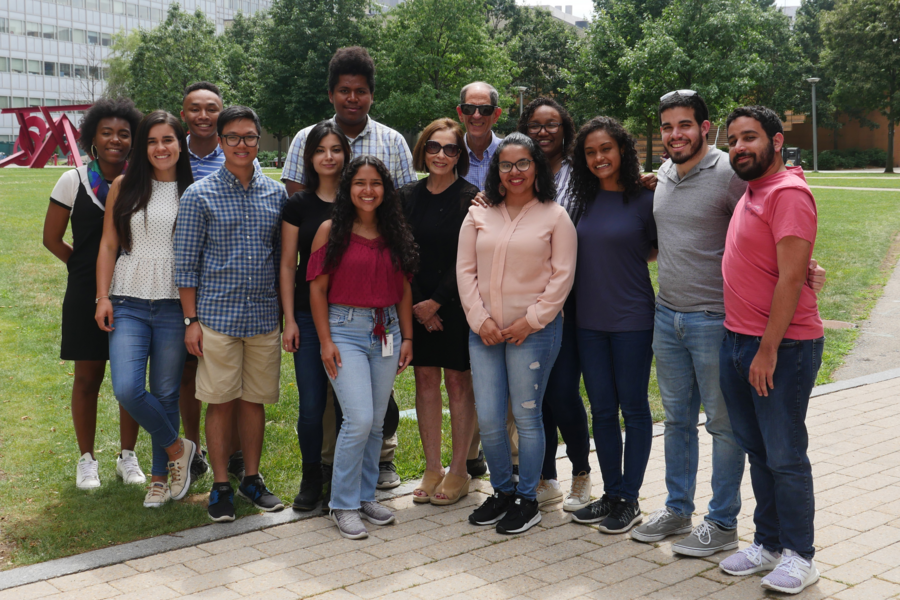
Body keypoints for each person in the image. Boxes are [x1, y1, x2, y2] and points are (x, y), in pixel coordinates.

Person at [631, 90, 826, 557]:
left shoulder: (729, 172)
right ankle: (679, 508)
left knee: (725, 427)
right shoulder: (661, 174)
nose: (675, 134)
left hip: (717, 320)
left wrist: (807, 268)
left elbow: (780, 218)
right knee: (677, 421)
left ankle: (721, 521)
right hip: (668, 315)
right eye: (666, 126)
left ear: (704, 127)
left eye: (684, 125)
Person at [281, 46, 413, 490]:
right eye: (344, 91)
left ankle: (379, 466)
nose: (351, 99)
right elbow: (301, 212)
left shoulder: (392, 142)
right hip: (328, 297)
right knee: (327, 400)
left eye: (360, 91)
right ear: (332, 93)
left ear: (372, 95)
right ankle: (324, 477)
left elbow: (401, 214)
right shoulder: (306, 139)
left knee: (375, 405)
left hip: (378, 297)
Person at [717, 106, 823, 595]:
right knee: (758, 451)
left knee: (784, 455)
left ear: (777, 142)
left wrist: (767, 349)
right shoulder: (754, 190)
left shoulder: (789, 193)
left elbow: (792, 277)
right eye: (734, 139)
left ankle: (801, 555)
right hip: (737, 340)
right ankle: (769, 543)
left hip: (782, 347)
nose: (740, 146)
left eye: (750, 138)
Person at [458, 133, 577, 534]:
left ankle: (529, 498)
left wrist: (532, 320)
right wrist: (480, 321)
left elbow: (562, 278)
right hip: (485, 333)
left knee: (527, 417)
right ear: (497, 170)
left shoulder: (555, 216)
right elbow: (465, 271)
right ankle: (503, 492)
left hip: (534, 332)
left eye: (523, 163)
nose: (515, 172)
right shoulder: (479, 213)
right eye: (506, 165)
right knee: (490, 419)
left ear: (536, 167)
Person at [175, 106, 286, 523]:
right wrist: (191, 321)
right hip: (216, 319)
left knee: (254, 401)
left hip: (261, 319)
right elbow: (184, 265)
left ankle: (251, 478)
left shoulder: (275, 194)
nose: (243, 145)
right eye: (234, 137)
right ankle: (221, 485)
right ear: (219, 142)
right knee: (219, 402)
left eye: (250, 137)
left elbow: (281, 261)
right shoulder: (199, 195)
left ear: (259, 140)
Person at [307, 155, 417, 539]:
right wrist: (325, 341)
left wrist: (408, 338)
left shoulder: (394, 231)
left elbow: (403, 289)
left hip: (387, 331)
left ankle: (366, 495)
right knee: (359, 419)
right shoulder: (330, 230)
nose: (368, 190)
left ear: (385, 189)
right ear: (348, 189)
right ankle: (342, 504)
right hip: (344, 330)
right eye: (359, 183)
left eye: (375, 183)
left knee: (375, 424)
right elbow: (317, 289)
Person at [94, 111, 197, 508]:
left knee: (167, 393)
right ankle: (178, 449)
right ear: (143, 147)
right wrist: (102, 296)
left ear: (180, 143)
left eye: (167, 140)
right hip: (128, 300)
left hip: (174, 304)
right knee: (127, 389)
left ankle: (159, 480)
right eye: (152, 141)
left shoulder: (194, 189)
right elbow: (108, 245)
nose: (160, 148)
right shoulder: (124, 186)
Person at [42, 98, 145, 490]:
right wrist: (80, 268)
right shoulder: (74, 180)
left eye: (124, 133)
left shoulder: (142, 181)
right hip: (86, 292)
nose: (116, 139)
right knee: (87, 377)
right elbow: (52, 239)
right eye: (107, 133)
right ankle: (86, 460)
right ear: (93, 140)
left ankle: (128, 456)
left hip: (134, 291)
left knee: (129, 380)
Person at [565, 117, 656, 534]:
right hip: (588, 323)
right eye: (590, 151)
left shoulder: (646, 198)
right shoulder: (580, 201)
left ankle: (630, 499)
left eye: (606, 149)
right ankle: (613, 493)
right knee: (601, 409)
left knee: (634, 408)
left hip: (633, 320)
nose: (599, 157)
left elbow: (656, 248)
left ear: (622, 150)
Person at [515, 97, 591, 512]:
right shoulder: (519, 172)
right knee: (535, 393)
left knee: (562, 390)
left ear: (565, 128)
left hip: (571, 299)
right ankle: (545, 477)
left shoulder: (581, 174)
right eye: (535, 125)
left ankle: (581, 472)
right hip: (527, 299)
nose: (543, 131)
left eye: (551, 124)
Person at [398, 119, 478, 506]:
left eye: (450, 149)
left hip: (456, 306)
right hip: (415, 304)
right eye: (434, 147)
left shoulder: (473, 198)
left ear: (460, 155)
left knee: (459, 384)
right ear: (422, 150)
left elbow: (469, 258)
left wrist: (436, 302)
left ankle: (460, 470)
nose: (441, 155)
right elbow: (399, 253)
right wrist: (418, 303)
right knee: (425, 382)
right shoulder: (405, 197)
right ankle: (433, 468)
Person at [179, 80, 252, 482]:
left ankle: (238, 454)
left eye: (211, 108)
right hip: (184, 277)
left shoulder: (243, 159)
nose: (203, 115)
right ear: (184, 113)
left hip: (223, 290)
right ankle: (194, 447)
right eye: (196, 108)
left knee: (232, 375)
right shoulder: (172, 154)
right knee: (189, 372)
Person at [280, 120, 351, 511]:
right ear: (310, 157)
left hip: (351, 318)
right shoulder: (298, 204)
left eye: (336, 149)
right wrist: (289, 319)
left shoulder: (359, 198)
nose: (328, 156)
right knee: (311, 405)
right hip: (307, 316)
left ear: (345, 155)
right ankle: (311, 478)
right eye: (321, 150)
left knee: (348, 407)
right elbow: (288, 265)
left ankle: (342, 478)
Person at [457, 82, 503, 191]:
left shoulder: (511, 154)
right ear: (460, 113)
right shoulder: (449, 154)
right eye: (469, 108)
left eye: (485, 109)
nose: (476, 115)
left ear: (496, 115)